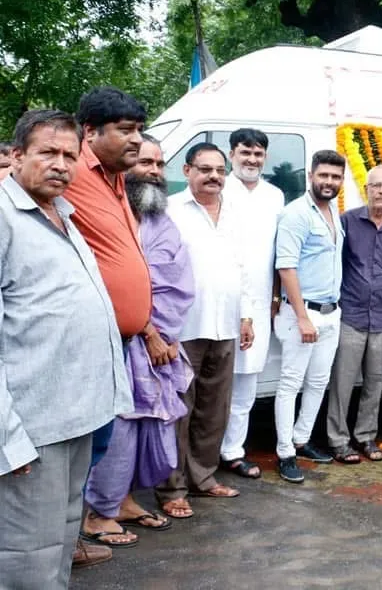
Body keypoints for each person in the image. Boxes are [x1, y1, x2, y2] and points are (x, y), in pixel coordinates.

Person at [0, 110, 130, 588]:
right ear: (17, 155)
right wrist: (7, 439)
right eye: (47, 153)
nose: (60, 164)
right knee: (27, 556)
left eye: (69, 156)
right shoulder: (4, 218)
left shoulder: (62, 214)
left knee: (58, 543)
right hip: (30, 428)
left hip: (76, 417)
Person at [84, 135, 196, 542]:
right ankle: (98, 512)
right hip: (122, 341)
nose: (153, 171)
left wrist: (166, 334)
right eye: (145, 162)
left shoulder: (161, 221)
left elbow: (177, 283)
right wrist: (148, 332)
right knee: (119, 429)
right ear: (123, 168)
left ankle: (125, 501)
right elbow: (112, 281)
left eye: (160, 164)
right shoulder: (106, 215)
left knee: (149, 426)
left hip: (161, 346)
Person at [66, 86, 153, 559]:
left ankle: (68, 537)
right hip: (85, 339)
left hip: (120, 339)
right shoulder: (73, 173)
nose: (136, 139)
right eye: (124, 130)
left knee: (97, 442)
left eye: (138, 129)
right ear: (90, 132)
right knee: (77, 444)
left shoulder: (117, 178)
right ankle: (59, 544)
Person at [156, 142, 254, 514]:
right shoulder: (170, 210)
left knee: (214, 409)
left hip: (225, 324)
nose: (214, 176)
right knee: (178, 410)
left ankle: (203, 478)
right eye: (205, 169)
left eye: (219, 170)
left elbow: (242, 268)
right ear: (187, 171)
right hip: (183, 327)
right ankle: (171, 489)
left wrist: (246, 316)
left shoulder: (235, 213)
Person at [326, 165, 382, 464]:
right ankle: (338, 440)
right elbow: (334, 265)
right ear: (366, 189)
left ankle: (365, 436)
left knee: (374, 383)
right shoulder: (347, 221)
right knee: (342, 382)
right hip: (351, 314)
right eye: (376, 186)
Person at [272, 151, 346, 483]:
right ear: (311, 176)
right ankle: (285, 452)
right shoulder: (296, 214)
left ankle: (302, 439)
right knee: (291, 383)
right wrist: (302, 317)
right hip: (301, 313)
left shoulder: (333, 212)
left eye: (335, 177)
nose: (329, 182)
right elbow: (286, 266)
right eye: (324, 175)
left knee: (318, 382)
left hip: (331, 312)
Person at [220, 129, 285, 480]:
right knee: (214, 383)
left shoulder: (274, 196)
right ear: (232, 154)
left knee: (246, 385)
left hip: (260, 304)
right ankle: (202, 455)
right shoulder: (219, 189)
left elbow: (278, 253)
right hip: (222, 299)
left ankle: (232, 451)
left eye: (258, 154)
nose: (252, 159)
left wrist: (275, 296)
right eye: (245, 152)